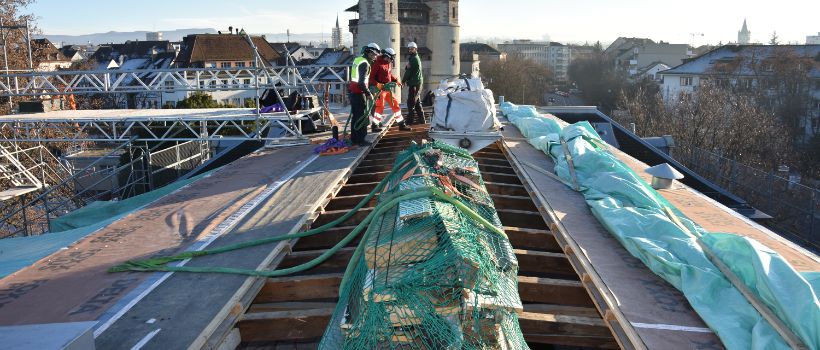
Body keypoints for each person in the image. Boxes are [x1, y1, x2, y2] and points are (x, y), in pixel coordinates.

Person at [348, 42, 380, 146]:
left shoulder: (358, 60)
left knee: (356, 117)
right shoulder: (365, 64)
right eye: (375, 55)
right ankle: (361, 140)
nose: (375, 58)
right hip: (359, 93)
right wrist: (368, 93)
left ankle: (354, 139)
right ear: (370, 53)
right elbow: (361, 82)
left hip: (354, 92)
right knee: (362, 117)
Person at [369, 47, 406, 132]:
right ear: (386, 56)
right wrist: (378, 84)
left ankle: (401, 124)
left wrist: (396, 81)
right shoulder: (377, 64)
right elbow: (371, 78)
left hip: (387, 89)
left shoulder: (387, 63)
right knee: (379, 107)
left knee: (395, 104)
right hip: (380, 90)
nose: (391, 61)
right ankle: (375, 125)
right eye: (391, 59)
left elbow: (388, 76)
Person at [402, 41, 424, 126]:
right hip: (417, 83)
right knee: (417, 103)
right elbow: (409, 68)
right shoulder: (415, 57)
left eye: (412, 49)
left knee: (411, 103)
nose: (410, 50)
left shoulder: (414, 59)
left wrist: (403, 81)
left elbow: (408, 72)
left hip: (415, 84)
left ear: (415, 49)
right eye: (409, 49)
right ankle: (422, 121)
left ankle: (409, 122)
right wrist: (407, 66)